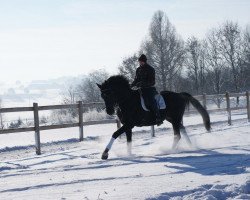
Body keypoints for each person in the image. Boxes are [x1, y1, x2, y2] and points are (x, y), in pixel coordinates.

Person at [131, 54, 163, 126]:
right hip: (140, 89)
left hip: (149, 89)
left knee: (151, 101)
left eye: (141, 62)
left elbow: (152, 82)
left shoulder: (150, 69)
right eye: (139, 62)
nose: (140, 63)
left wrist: (142, 84)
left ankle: (158, 117)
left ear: (145, 61)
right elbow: (136, 80)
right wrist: (131, 85)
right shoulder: (138, 69)